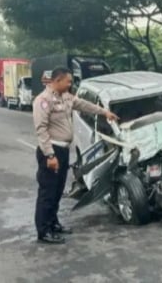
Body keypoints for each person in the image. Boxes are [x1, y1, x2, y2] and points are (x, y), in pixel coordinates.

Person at [32, 67, 118, 244]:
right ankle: (43, 230)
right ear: (57, 81)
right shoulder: (43, 100)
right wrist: (49, 156)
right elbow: (41, 130)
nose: (71, 84)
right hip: (51, 151)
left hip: (63, 150)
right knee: (47, 192)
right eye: (68, 81)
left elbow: (84, 105)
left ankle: (53, 223)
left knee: (57, 191)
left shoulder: (66, 97)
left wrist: (105, 112)